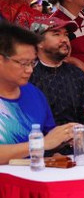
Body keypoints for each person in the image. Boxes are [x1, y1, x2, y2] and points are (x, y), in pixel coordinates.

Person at [0, 23, 76, 164]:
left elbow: (49, 140)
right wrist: (41, 144)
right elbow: (45, 142)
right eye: (23, 63)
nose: (30, 70)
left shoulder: (34, 94)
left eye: (32, 63)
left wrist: (64, 138)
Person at [28, 17, 84, 139]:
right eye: (56, 34)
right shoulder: (28, 77)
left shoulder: (76, 74)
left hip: (78, 146)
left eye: (66, 34)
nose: (64, 39)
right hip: (42, 150)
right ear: (39, 42)